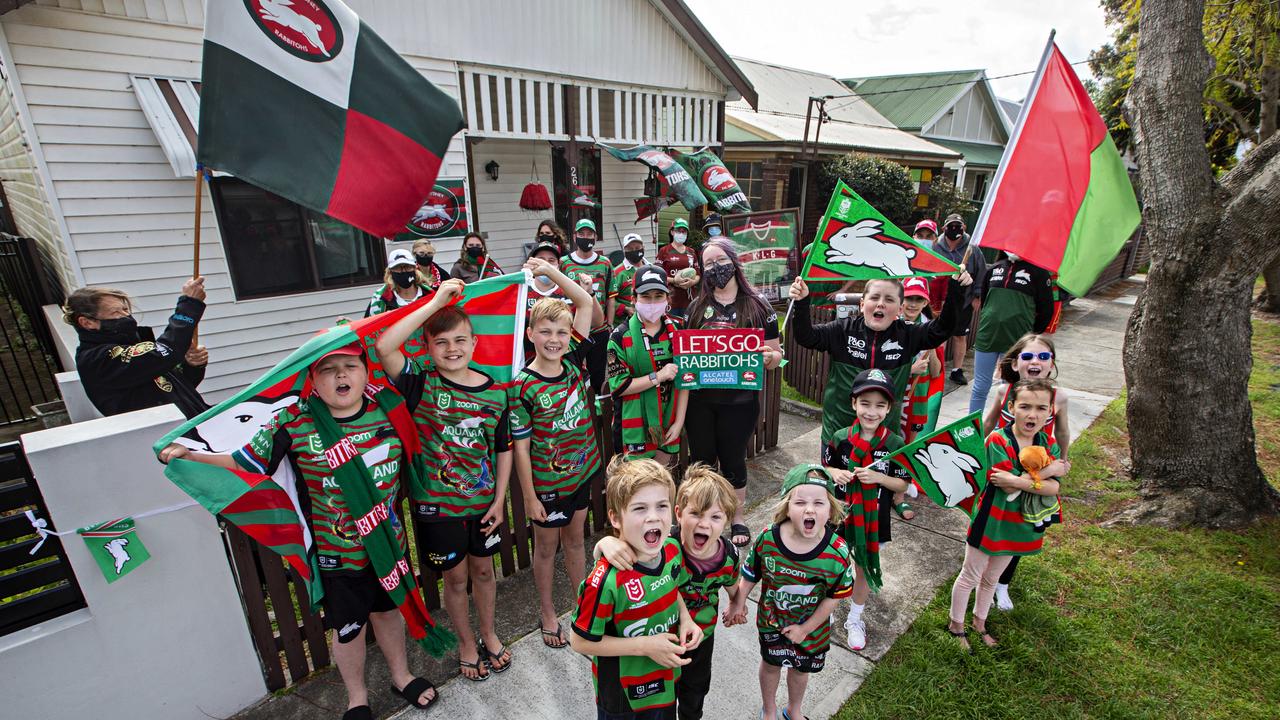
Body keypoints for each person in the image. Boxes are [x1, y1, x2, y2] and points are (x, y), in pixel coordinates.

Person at [158, 345, 442, 718]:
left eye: (350, 366)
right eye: (329, 370)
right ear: (312, 380)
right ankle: (357, 697)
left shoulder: (388, 409)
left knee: (388, 613)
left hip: (388, 543)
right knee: (348, 629)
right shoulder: (295, 422)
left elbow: (393, 346)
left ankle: (401, 676)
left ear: (365, 372)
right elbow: (244, 461)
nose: (341, 376)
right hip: (336, 555)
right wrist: (191, 454)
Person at [375, 280, 514, 682]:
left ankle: (488, 635)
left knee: (485, 573)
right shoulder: (419, 384)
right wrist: (435, 302)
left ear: (474, 344)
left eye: (459, 341)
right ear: (427, 347)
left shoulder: (495, 392)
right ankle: (467, 644)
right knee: (455, 580)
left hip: (482, 505)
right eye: (441, 342)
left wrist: (499, 498)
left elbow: (502, 448)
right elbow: (385, 346)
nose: (452, 349)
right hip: (437, 509)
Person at [593, 465, 741, 720]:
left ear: (727, 520)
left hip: (700, 636)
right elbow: (629, 548)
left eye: (715, 517)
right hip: (661, 639)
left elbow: (733, 585)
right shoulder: (665, 545)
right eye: (695, 513)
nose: (704, 523)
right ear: (679, 514)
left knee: (695, 690)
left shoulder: (728, 556)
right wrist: (605, 542)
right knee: (663, 696)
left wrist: (738, 603)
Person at [510, 257, 600, 649]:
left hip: (582, 474)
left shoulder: (575, 359)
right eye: (545, 331)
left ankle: (584, 605)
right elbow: (521, 447)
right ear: (530, 334)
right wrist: (530, 496)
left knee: (577, 541)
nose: (555, 339)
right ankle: (547, 612)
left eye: (561, 332)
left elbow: (584, 304)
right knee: (546, 549)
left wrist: (550, 273)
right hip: (547, 486)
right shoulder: (522, 386)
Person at [570, 457, 703, 720]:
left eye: (661, 506)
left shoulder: (672, 550)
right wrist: (644, 646)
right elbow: (579, 640)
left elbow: (671, 588)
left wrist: (686, 619)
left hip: (664, 680)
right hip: (622, 695)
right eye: (640, 508)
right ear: (616, 518)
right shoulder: (605, 580)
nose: (653, 516)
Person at [788, 270, 973, 453]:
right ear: (862, 304)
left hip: (885, 441)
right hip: (838, 435)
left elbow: (942, 329)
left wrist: (957, 289)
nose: (881, 304)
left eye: (889, 300)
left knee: (878, 483)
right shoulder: (842, 330)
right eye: (874, 298)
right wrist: (802, 301)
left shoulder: (908, 334)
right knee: (837, 482)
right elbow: (806, 337)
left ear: (900, 309)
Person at [724, 464, 853, 720]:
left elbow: (834, 597)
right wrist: (737, 602)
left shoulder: (837, 553)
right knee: (771, 665)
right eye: (800, 501)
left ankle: (794, 710)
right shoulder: (768, 539)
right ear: (786, 506)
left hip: (811, 629)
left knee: (800, 670)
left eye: (819, 502)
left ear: (831, 509)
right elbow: (751, 573)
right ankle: (769, 710)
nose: (809, 509)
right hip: (771, 622)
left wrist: (805, 629)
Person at [948, 378, 1068, 650]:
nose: (1032, 414)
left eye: (1041, 408)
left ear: (1050, 411)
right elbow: (1000, 480)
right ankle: (956, 624)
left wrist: (1022, 480)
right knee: (971, 575)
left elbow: (1054, 489)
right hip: (991, 520)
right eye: (1025, 406)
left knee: (992, 578)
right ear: (1012, 407)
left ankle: (979, 621)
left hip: (1020, 524)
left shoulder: (1047, 442)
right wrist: (1048, 472)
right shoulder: (998, 440)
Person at [683, 238, 784, 548]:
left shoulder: (758, 305)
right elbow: (687, 353)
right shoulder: (696, 307)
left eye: (720, 261)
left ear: (734, 262)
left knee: (734, 461)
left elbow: (777, 353)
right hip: (701, 403)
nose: (716, 268)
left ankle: (737, 516)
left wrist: (769, 359)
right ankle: (702, 513)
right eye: (709, 264)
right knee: (701, 462)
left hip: (740, 403)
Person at [821, 369, 914, 652]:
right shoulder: (840, 437)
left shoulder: (894, 444)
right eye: (865, 403)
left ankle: (855, 617)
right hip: (839, 515)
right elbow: (826, 465)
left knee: (862, 567)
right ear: (853, 404)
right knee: (832, 565)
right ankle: (826, 612)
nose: (871, 412)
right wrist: (836, 473)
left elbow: (903, 482)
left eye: (879, 405)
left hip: (873, 517)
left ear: (888, 408)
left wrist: (879, 479)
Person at [981, 333, 1071, 611]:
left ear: (1051, 364)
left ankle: (1002, 584)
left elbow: (1063, 430)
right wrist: (973, 455)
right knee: (993, 523)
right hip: (1003, 466)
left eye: (1043, 357)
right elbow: (988, 423)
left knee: (1024, 524)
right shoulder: (1003, 392)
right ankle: (983, 574)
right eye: (1028, 356)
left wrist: (1063, 460)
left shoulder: (1059, 397)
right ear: (1016, 363)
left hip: (1037, 473)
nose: (1036, 361)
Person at [66, 277, 210, 418]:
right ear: (87, 323)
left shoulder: (132, 343)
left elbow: (174, 386)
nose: (126, 316)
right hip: (168, 436)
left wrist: (191, 366)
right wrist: (190, 304)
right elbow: (166, 352)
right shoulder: (99, 359)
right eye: (115, 312)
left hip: (195, 421)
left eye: (125, 310)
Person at [606, 266, 688, 467]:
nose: (652, 302)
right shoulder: (618, 336)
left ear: (668, 299)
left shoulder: (678, 330)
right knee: (636, 486)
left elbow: (687, 379)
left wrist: (679, 423)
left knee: (661, 478)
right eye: (646, 296)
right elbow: (619, 386)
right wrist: (658, 376)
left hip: (668, 420)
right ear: (634, 299)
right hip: (633, 426)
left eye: (658, 296)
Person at [968, 251, 1055, 414]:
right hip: (987, 336)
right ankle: (972, 427)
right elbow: (985, 301)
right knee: (980, 386)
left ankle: (1003, 429)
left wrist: (1030, 336)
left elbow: (1046, 310)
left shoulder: (1039, 273)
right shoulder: (994, 269)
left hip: (1017, 342)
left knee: (1010, 388)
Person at [895, 277, 945, 520]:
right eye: (908, 298)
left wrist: (931, 345)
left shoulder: (930, 328)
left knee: (908, 445)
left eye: (918, 299)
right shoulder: (890, 325)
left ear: (925, 300)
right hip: (894, 396)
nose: (912, 304)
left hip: (918, 397)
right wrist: (908, 371)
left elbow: (935, 372)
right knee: (890, 442)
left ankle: (899, 496)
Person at [927, 214, 987, 386]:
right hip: (939, 301)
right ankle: (938, 368)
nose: (954, 229)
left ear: (964, 228)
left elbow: (981, 272)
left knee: (960, 335)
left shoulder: (972, 249)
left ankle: (957, 370)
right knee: (940, 334)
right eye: (951, 226)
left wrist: (977, 296)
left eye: (958, 226)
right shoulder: (935, 246)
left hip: (964, 300)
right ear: (944, 228)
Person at [561, 218, 614, 394]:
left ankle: (598, 411)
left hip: (599, 330)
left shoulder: (605, 263)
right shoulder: (564, 263)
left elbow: (611, 297)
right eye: (582, 234)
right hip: (574, 330)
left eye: (589, 234)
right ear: (575, 237)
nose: (586, 237)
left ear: (595, 236)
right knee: (574, 373)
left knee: (598, 374)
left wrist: (610, 325)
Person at [365, 249, 431, 317]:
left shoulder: (428, 293)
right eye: (397, 268)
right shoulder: (381, 297)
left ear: (415, 268)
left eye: (407, 266)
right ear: (390, 271)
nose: (403, 271)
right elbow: (372, 324)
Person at [657, 218, 700, 319]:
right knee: (671, 327)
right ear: (672, 232)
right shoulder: (664, 251)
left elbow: (698, 274)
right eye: (678, 231)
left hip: (688, 299)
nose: (681, 234)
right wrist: (674, 280)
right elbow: (658, 274)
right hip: (670, 299)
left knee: (687, 328)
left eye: (684, 231)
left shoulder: (691, 252)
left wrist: (692, 282)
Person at [607, 233, 646, 326]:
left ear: (643, 247)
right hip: (624, 325)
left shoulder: (650, 268)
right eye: (630, 249)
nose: (634, 251)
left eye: (637, 248)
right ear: (624, 251)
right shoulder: (617, 273)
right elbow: (609, 299)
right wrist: (625, 308)